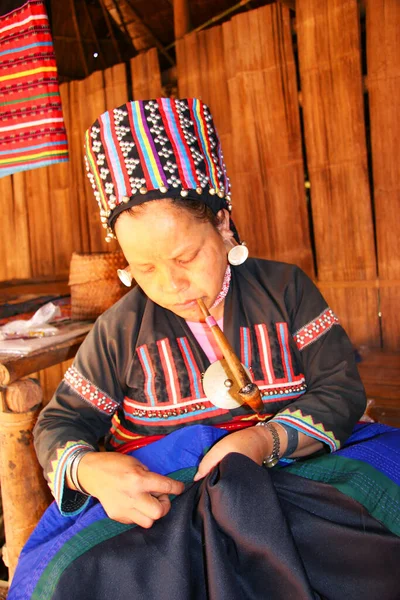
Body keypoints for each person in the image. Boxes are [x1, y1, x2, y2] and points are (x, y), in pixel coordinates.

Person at [9, 98, 400, 599]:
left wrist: (265, 442)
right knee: (68, 579)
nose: (171, 284)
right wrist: (91, 471)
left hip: (298, 473)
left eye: (186, 256)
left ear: (222, 224)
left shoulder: (285, 290)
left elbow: (340, 389)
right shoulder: (118, 329)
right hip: (168, 500)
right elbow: (60, 423)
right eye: (143, 269)